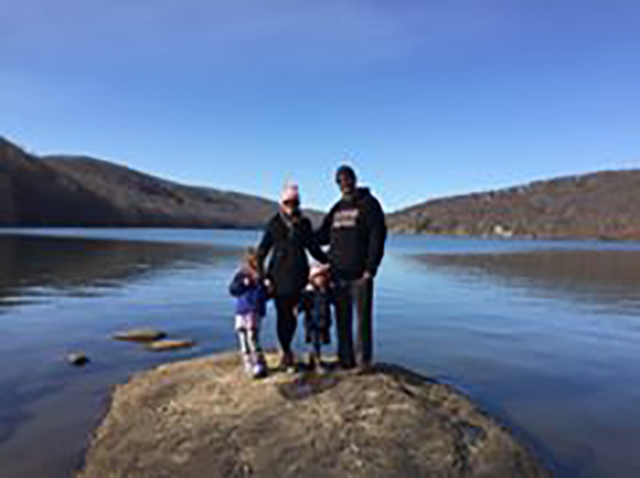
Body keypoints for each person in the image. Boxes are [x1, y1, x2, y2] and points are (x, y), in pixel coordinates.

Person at [317, 165, 387, 370]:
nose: (344, 184)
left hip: (360, 275)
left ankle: (363, 361)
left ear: (354, 179)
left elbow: (378, 237)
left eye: (347, 179)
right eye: (340, 181)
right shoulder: (337, 208)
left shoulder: (370, 204)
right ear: (337, 184)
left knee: (362, 320)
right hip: (338, 274)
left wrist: (370, 270)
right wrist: (301, 234)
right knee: (342, 319)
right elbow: (322, 235)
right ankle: (345, 360)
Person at [257, 183, 328, 372]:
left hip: (299, 277)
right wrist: (263, 276)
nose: (291, 206)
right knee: (283, 317)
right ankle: (285, 353)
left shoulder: (304, 224)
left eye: (294, 202)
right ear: (282, 203)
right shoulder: (274, 223)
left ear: (299, 203)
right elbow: (262, 251)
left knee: (295, 316)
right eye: (287, 202)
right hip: (278, 278)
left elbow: (313, 248)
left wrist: (330, 261)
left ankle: (298, 353)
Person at [229, 247, 269, 379]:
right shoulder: (241, 274)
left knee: (253, 337)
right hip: (242, 310)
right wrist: (243, 283)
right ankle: (248, 364)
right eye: (251, 261)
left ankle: (259, 364)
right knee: (242, 337)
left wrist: (263, 286)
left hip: (255, 310)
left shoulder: (262, 277)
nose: (254, 264)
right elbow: (233, 290)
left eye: (256, 261)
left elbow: (266, 295)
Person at [300, 263, 335, 373]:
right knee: (315, 342)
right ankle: (317, 362)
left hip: (323, 321)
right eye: (318, 277)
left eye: (322, 277)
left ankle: (312, 360)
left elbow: (333, 300)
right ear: (312, 279)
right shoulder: (308, 292)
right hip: (312, 322)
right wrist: (298, 308)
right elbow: (303, 303)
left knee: (321, 341)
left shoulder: (327, 291)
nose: (320, 279)